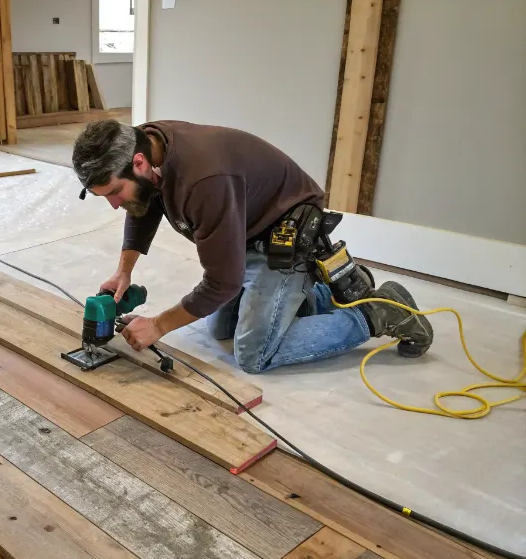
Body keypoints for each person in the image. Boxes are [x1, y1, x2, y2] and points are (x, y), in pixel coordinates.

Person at [71, 119, 433, 373]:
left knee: (254, 353)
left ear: (139, 164)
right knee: (219, 330)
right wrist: (124, 270)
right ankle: (320, 294)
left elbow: (222, 283)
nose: (115, 204)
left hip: (283, 233)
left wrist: (159, 326)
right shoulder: (147, 147)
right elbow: (142, 204)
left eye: (114, 192)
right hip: (242, 230)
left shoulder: (204, 179)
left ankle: (378, 313)